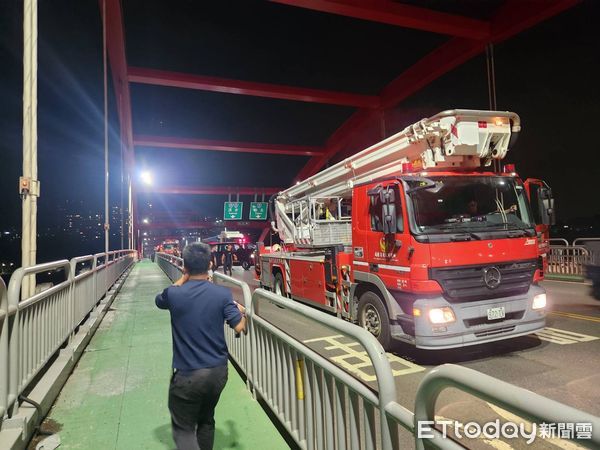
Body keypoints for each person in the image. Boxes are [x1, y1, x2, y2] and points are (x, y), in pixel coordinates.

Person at [155, 242, 246, 450]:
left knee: (183, 428)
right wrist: (242, 311)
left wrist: (184, 277)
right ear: (211, 264)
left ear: (184, 267)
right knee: (206, 420)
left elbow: (159, 300)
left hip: (187, 376)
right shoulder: (222, 295)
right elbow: (239, 326)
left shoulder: (173, 294)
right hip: (217, 373)